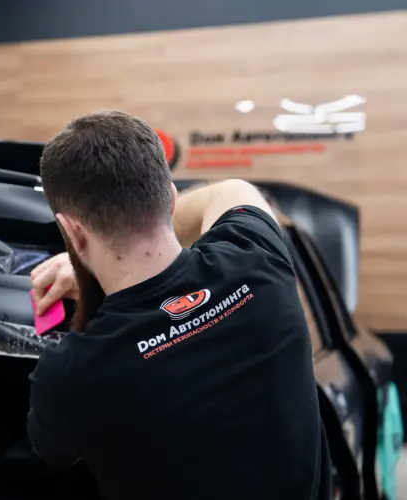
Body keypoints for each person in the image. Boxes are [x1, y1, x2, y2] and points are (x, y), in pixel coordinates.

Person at [26, 110, 331, 500]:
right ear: (170, 198)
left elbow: (54, 452)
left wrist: (83, 271)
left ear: (72, 230)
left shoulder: (71, 374)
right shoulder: (256, 262)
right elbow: (232, 189)